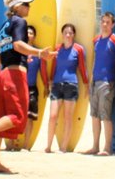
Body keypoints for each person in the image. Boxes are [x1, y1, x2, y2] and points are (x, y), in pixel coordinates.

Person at [0, 0, 56, 173]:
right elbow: (18, 45)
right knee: (18, 117)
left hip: (3, 76)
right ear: (17, 7)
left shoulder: (3, 27)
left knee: (2, 118)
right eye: (26, 4)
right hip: (15, 76)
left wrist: (20, 57)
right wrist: (39, 53)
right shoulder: (20, 22)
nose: (29, 7)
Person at [84, 12, 115, 156]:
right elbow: (95, 61)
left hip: (108, 83)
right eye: (103, 22)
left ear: (113, 25)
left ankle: (107, 148)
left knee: (105, 115)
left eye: (108, 22)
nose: (105, 24)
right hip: (95, 82)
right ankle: (95, 146)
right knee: (94, 116)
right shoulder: (96, 40)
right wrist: (90, 81)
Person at [45, 23, 89, 153]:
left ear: (74, 34)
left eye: (70, 33)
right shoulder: (57, 48)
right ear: (62, 34)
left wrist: (86, 83)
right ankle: (48, 146)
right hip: (57, 85)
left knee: (68, 117)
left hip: (71, 85)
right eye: (66, 33)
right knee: (53, 115)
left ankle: (63, 147)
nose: (68, 35)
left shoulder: (79, 49)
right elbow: (54, 65)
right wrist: (50, 80)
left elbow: (82, 67)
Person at [5, 25, 49, 151]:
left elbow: (43, 71)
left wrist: (46, 85)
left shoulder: (39, 53)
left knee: (30, 117)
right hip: (17, 87)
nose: (29, 35)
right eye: (27, 33)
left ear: (34, 37)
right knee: (14, 116)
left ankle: (26, 145)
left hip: (31, 88)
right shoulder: (17, 50)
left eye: (31, 33)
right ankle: (12, 143)